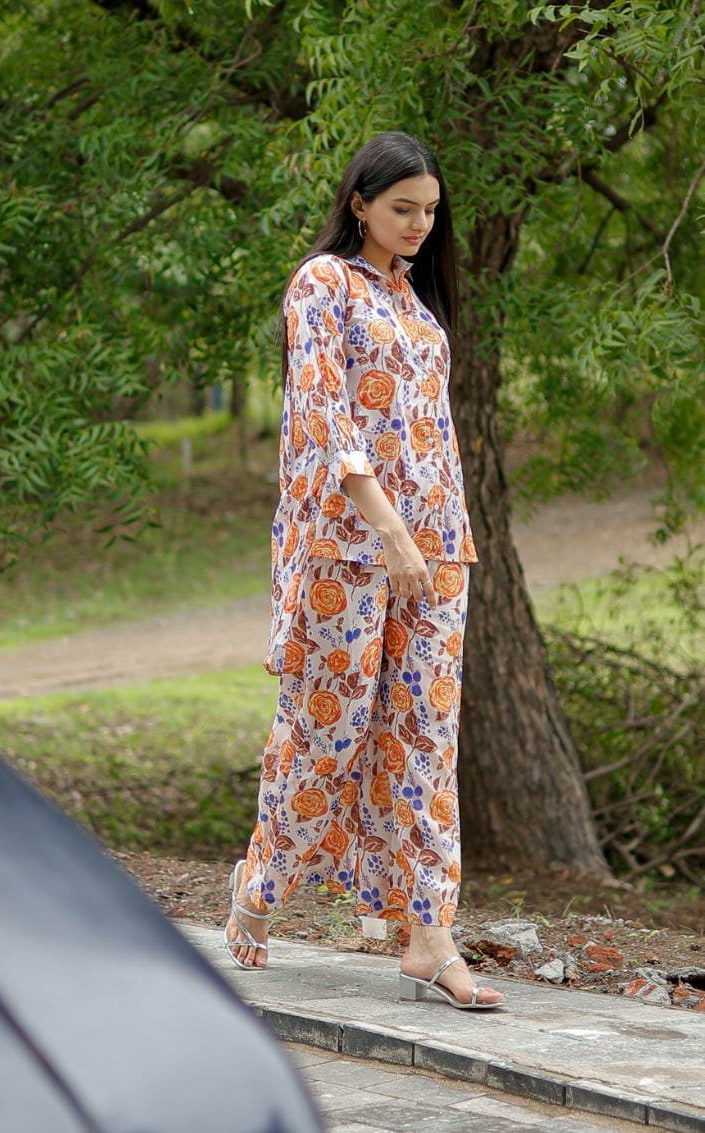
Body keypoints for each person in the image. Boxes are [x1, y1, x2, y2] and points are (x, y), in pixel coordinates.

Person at [224, 131, 505, 1009]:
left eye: (430, 211)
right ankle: (259, 885)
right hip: (346, 549)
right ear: (359, 204)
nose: (419, 225)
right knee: (327, 733)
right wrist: (387, 529)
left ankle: (429, 933)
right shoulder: (323, 284)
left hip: (438, 548)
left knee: (425, 740)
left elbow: (433, 433)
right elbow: (323, 415)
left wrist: (432, 536)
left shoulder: (416, 303)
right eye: (401, 208)